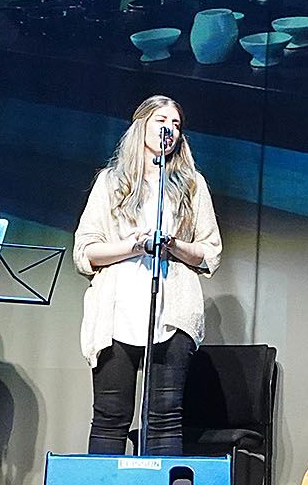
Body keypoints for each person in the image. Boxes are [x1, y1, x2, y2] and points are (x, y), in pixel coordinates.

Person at [72, 96, 223, 454]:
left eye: (176, 123)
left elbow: (210, 251)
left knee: (165, 416)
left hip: (172, 311)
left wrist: (175, 245)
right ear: (141, 125)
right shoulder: (111, 182)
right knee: (110, 415)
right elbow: (85, 251)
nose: (168, 128)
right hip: (117, 311)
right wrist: (131, 246)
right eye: (160, 120)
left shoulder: (192, 184)